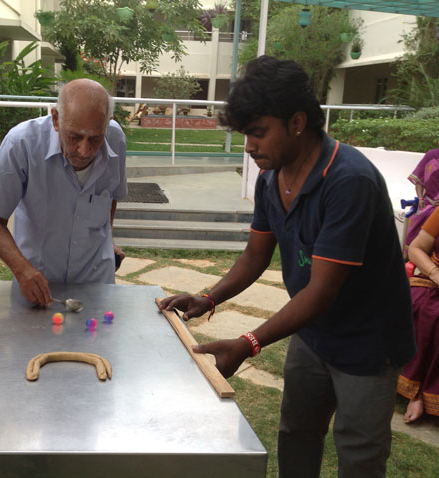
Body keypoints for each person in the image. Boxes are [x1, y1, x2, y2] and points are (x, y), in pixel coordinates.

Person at [159, 56, 416, 477]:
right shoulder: (270, 178)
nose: (249, 146)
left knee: (359, 451)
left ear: (297, 123)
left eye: (258, 133)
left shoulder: (349, 181)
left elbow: (320, 293)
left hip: (368, 341)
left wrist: (249, 343)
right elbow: (255, 256)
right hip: (312, 334)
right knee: (296, 432)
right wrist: (207, 298)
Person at [0, 78, 127, 306]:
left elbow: (111, 196)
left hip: (97, 280)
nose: (85, 150)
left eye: (95, 139)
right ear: (56, 119)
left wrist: (107, 236)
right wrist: (22, 270)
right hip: (38, 283)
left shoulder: (115, 139)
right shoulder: (22, 144)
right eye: (74, 137)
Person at [398, 206, 439, 423]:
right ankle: (418, 392)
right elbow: (416, 249)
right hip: (432, 279)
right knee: (428, 312)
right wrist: (435, 273)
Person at [404, 149, 439, 256]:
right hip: (427, 204)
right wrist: (420, 199)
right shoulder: (431, 155)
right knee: (413, 220)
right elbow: (419, 180)